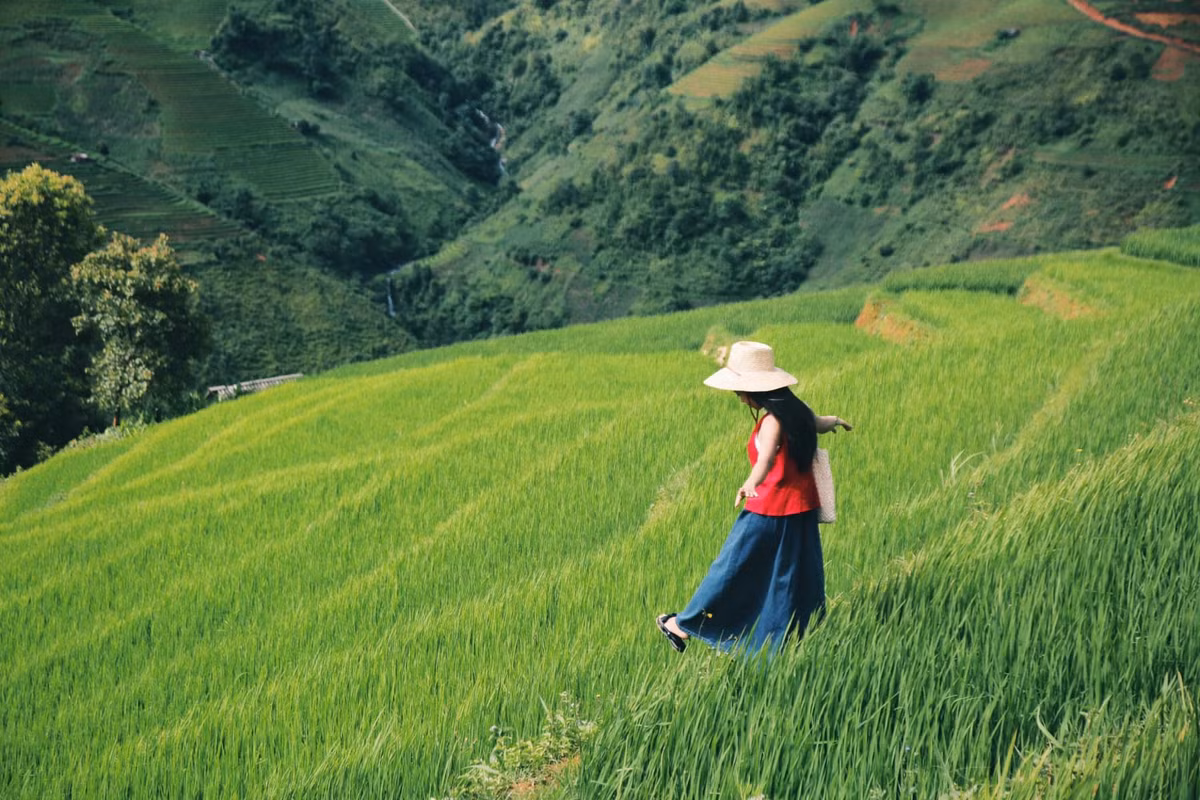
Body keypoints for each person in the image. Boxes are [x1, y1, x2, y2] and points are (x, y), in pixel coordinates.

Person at [657, 341, 852, 655]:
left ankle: (682, 625)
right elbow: (819, 422)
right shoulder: (797, 411)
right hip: (801, 511)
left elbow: (766, 461)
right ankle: (788, 640)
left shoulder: (773, 421)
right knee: (794, 576)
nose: (738, 396)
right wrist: (837, 422)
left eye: (739, 390)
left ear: (755, 392)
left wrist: (749, 483)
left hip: (768, 510)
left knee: (731, 569)